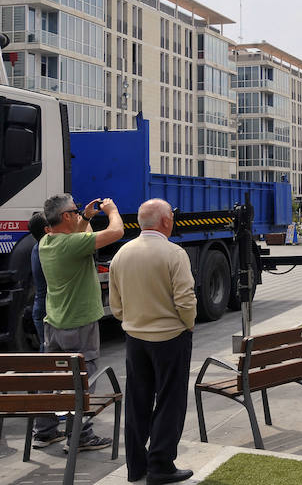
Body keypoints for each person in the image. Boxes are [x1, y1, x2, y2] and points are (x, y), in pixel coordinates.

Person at [108, 199, 196, 485]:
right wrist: (188, 323)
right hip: (170, 336)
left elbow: (116, 303)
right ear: (166, 221)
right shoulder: (174, 253)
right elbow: (185, 299)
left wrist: (131, 321)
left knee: (137, 400)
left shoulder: (122, 254)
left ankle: (136, 465)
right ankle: (160, 464)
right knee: (171, 400)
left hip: (135, 336)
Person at [32, 194, 124, 451]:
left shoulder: (46, 243)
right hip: (80, 325)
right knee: (85, 378)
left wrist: (84, 218)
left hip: (55, 324)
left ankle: (45, 432)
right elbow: (116, 231)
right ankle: (80, 436)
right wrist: (112, 210)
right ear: (65, 216)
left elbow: (76, 237)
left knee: (53, 380)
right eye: (74, 210)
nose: (76, 213)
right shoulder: (71, 245)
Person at [28, 212, 50, 350]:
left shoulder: (37, 248)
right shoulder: (47, 250)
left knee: (46, 347)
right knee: (50, 350)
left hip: (41, 307)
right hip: (47, 309)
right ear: (47, 230)